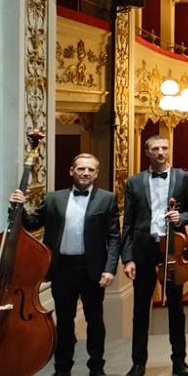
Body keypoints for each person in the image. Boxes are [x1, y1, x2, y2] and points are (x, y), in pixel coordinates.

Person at [10, 153, 120, 376]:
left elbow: (114, 237)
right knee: (65, 322)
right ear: (72, 171)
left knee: (95, 321)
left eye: (90, 169)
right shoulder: (53, 199)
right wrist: (17, 207)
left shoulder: (107, 198)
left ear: (96, 173)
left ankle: (96, 368)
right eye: (81, 169)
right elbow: (31, 224)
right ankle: (62, 369)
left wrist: (109, 269)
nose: (85, 173)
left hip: (93, 270)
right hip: (62, 269)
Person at [121, 135, 188, 376]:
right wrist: (128, 258)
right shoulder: (134, 182)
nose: (161, 152)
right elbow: (129, 224)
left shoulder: (184, 178)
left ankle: (179, 362)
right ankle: (138, 363)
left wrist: (181, 218)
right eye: (155, 148)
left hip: (173, 248)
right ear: (147, 152)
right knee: (140, 310)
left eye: (164, 148)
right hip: (144, 250)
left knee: (177, 309)